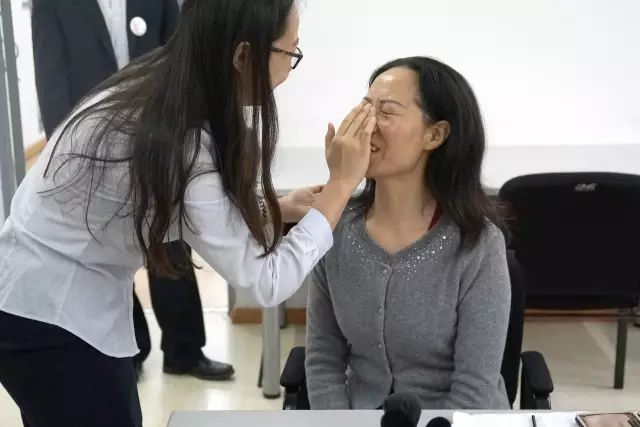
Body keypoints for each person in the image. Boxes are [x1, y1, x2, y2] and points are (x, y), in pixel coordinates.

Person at [0, 0, 376, 425]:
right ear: (243, 55)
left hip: (48, 292)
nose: (291, 68)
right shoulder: (183, 141)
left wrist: (277, 208)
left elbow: (194, 206)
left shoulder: (166, 84)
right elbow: (267, 280)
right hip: (48, 314)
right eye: (290, 52)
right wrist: (340, 186)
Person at [31, 0, 233, 380]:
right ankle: (131, 348)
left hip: (158, 135)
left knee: (171, 241)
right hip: (92, 143)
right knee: (104, 247)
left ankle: (184, 350)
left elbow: (180, 56)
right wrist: (64, 150)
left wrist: (187, 131)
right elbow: (50, 76)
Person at [305, 56, 511, 410]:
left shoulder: (478, 244)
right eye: (365, 107)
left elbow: (475, 388)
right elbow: (323, 360)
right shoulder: (334, 229)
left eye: (386, 112)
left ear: (435, 135)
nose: (366, 124)